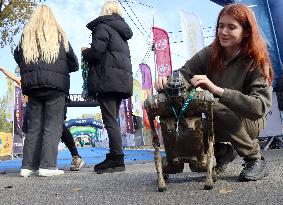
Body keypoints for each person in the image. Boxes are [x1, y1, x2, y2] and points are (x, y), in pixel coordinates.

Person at [155, 3, 273, 182]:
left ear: (246, 32)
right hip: (217, 114)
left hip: (249, 120)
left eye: (231, 27)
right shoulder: (210, 53)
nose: (223, 32)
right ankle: (222, 152)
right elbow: (183, 74)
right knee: (190, 125)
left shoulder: (257, 60)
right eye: (220, 25)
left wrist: (217, 90)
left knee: (213, 106)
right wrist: (167, 82)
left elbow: (259, 107)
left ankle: (254, 158)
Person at [13, 5, 79, 177]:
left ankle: (27, 167)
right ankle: (47, 166)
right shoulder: (60, 36)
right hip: (55, 87)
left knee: (34, 127)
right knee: (52, 126)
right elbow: (74, 64)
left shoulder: (25, 38)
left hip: (33, 86)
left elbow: (17, 56)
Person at [0, 66, 84, 171]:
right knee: (33, 132)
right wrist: (3, 69)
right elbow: (13, 76)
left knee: (61, 128)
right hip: (34, 109)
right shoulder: (26, 81)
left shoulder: (47, 75)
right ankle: (34, 163)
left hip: (52, 100)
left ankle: (75, 156)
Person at [82, 1, 133, 174]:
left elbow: (96, 52)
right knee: (113, 120)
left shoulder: (103, 26)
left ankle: (117, 159)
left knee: (110, 120)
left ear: (105, 11)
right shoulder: (122, 32)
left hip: (107, 80)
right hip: (120, 81)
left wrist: (84, 52)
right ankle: (115, 156)